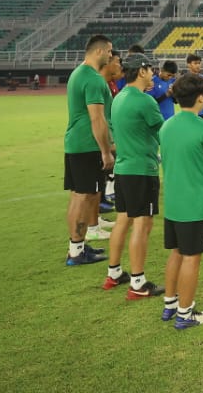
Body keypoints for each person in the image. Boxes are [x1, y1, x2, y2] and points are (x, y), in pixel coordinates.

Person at [159, 73, 203, 329]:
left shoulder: (166, 126)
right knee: (192, 257)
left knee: (176, 252)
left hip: (173, 204)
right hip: (195, 205)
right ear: (201, 98)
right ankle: (185, 314)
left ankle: (170, 304)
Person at [104, 52, 166, 299]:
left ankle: (114, 272)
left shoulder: (119, 98)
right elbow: (162, 132)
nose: (153, 74)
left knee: (123, 219)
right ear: (141, 71)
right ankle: (138, 283)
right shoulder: (144, 101)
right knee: (142, 223)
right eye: (150, 69)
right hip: (142, 170)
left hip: (124, 169)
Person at [63, 35, 114, 267]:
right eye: (110, 51)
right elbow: (97, 118)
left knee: (77, 195)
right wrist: (105, 151)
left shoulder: (77, 74)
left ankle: (78, 246)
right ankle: (76, 252)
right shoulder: (93, 79)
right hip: (88, 145)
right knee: (84, 197)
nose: (112, 56)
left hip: (75, 143)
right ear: (99, 52)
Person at [95, 50, 124, 220]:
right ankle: (94, 218)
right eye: (117, 62)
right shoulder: (100, 84)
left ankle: (101, 201)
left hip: (111, 132)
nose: (119, 66)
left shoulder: (111, 83)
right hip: (102, 136)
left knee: (105, 171)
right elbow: (100, 116)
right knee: (101, 171)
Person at [186, 54, 203, 121]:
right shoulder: (184, 80)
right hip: (190, 113)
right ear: (188, 64)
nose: (198, 65)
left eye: (199, 63)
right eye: (195, 63)